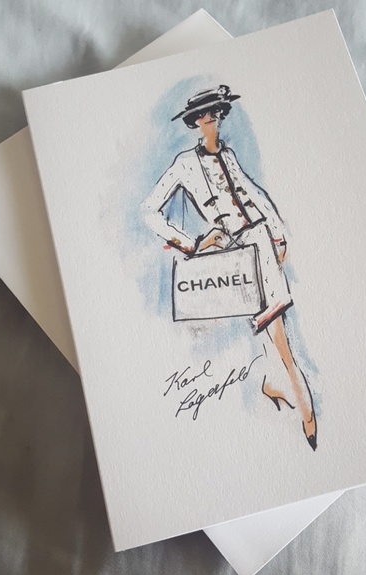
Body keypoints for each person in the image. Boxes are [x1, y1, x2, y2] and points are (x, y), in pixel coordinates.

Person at [142, 85, 317, 451]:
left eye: (217, 113)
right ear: (195, 121)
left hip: (261, 242)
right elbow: (149, 211)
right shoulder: (185, 165)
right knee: (276, 328)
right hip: (234, 255)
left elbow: (254, 194)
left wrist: (279, 233)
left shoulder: (230, 154)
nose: (213, 119)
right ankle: (301, 399)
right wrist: (193, 242)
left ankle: (278, 382)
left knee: (275, 326)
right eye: (205, 115)